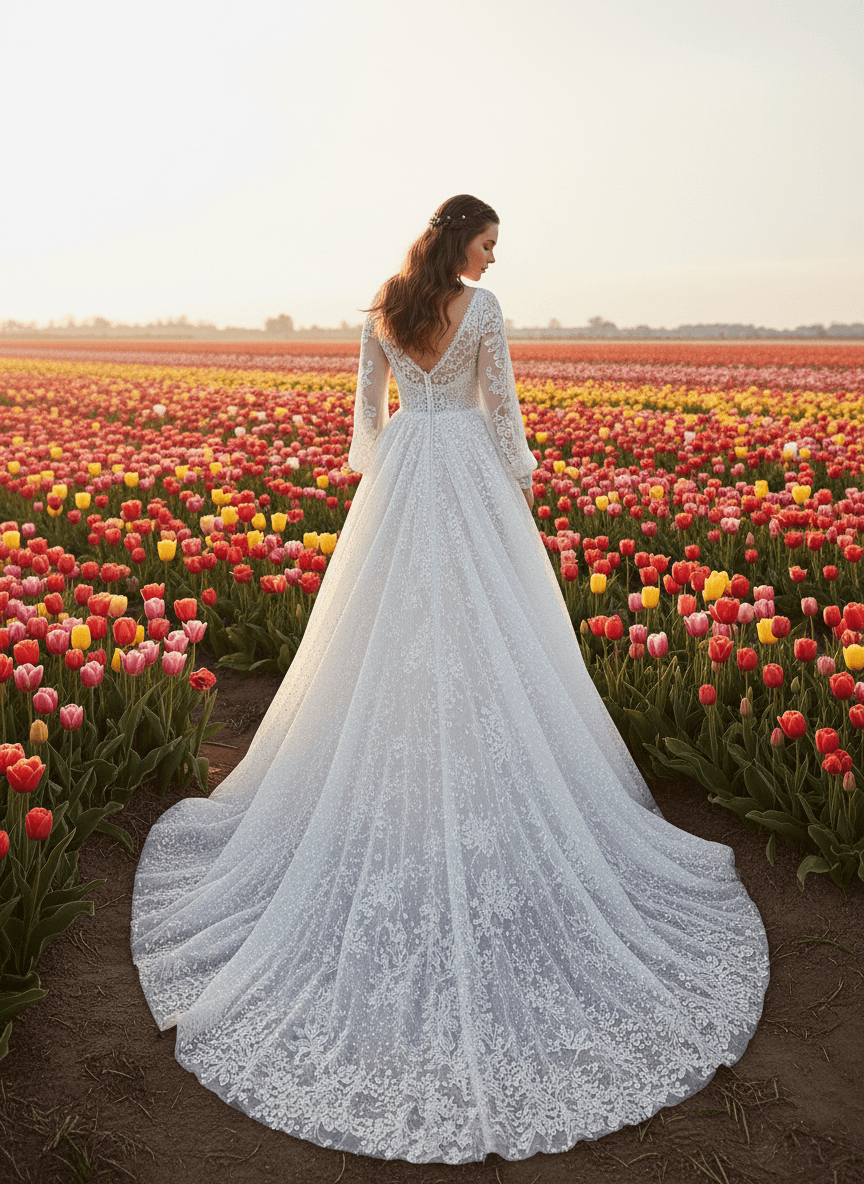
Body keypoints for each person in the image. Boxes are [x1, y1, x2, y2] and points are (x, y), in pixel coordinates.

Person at [131, 193, 769, 1165]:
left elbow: (366, 421)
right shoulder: (485, 308)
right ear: (461, 240)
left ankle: (400, 773)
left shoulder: (385, 304)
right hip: (466, 469)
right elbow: (503, 408)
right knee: (491, 633)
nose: (493, 256)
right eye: (487, 241)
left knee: (388, 636)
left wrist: (389, 468)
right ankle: (477, 776)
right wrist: (515, 475)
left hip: (404, 475)